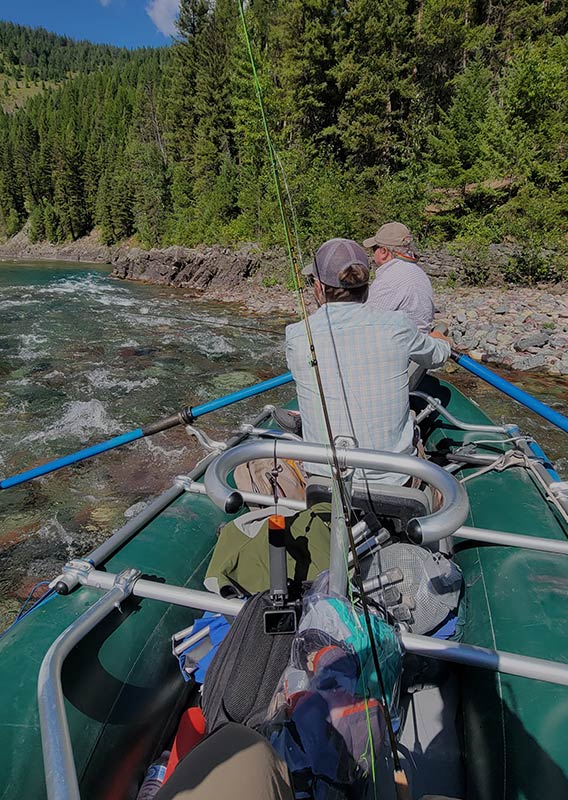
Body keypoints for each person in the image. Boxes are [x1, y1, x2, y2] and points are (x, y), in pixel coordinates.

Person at [285, 238, 450, 485]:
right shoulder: (399, 325)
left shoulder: (296, 335)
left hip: (323, 480)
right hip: (396, 479)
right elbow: (436, 356)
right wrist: (442, 341)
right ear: (365, 285)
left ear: (318, 287)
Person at [363, 222, 435, 333]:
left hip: (401, 344)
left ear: (384, 252)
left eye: (374, 249)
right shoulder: (418, 272)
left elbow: (367, 322)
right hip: (420, 339)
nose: (373, 254)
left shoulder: (389, 278)